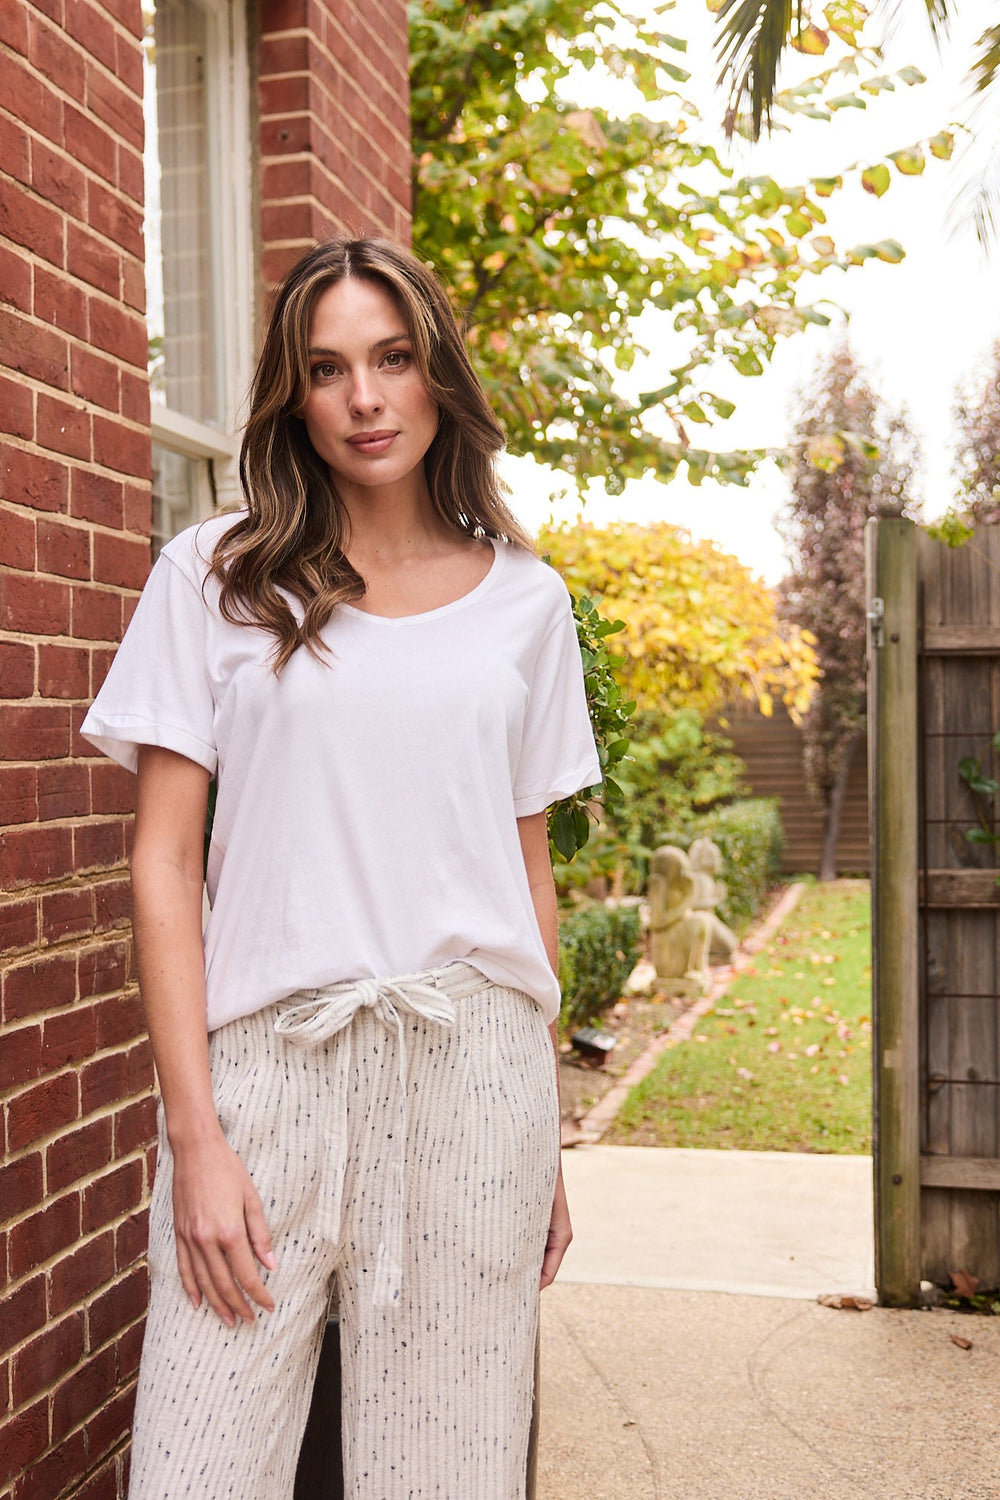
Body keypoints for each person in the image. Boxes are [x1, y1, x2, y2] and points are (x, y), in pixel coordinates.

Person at [82, 236, 601, 1499]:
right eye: (326, 369)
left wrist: (541, 1141)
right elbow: (162, 864)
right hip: (265, 1077)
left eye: (392, 359)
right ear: (293, 395)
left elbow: (525, 875)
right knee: (195, 1470)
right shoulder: (215, 577)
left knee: (446, 1476)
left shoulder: (527, 603)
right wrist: (193, 1135)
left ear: (438, 378)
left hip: (469, 1069)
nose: (364, 399)